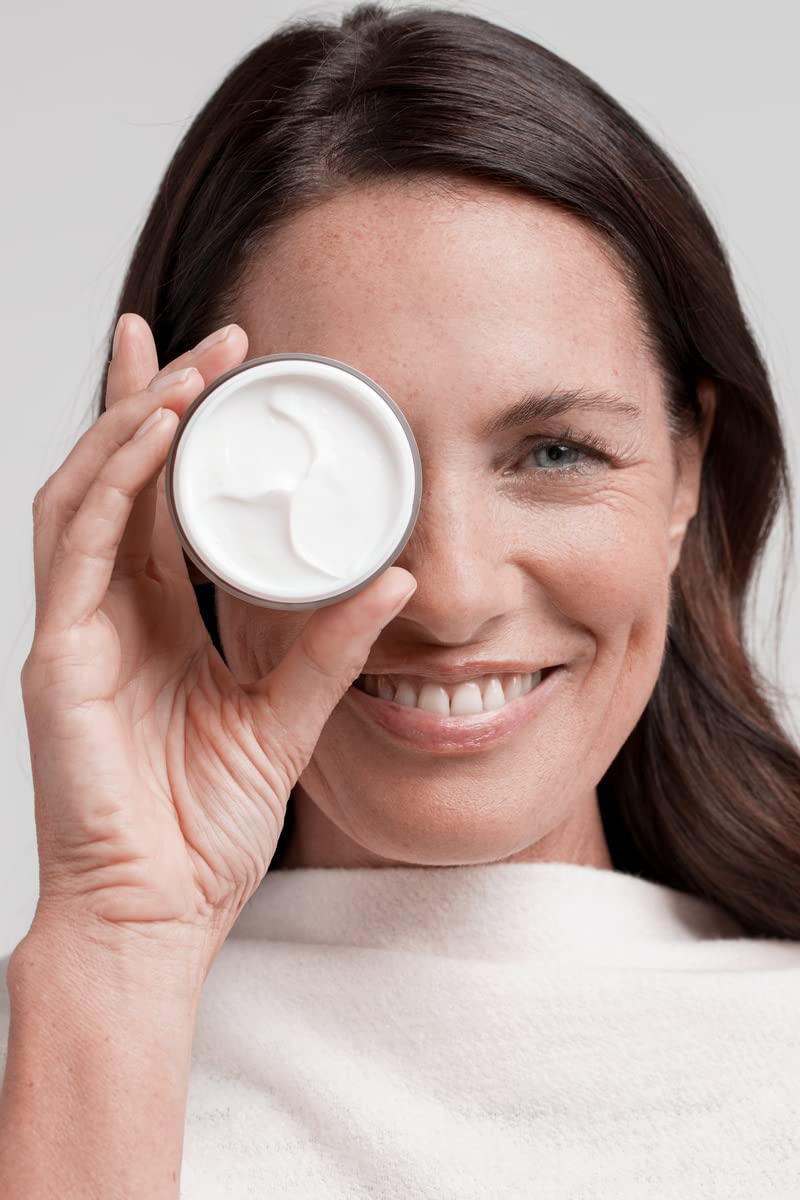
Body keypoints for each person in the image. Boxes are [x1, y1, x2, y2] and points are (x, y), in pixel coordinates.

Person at [2, 2, 799, 1196]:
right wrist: (119, 945)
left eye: (555, 452)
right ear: (180, 497)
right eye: (346, 475)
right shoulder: (63, 1062)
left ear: (682, 470)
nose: (451, 596)